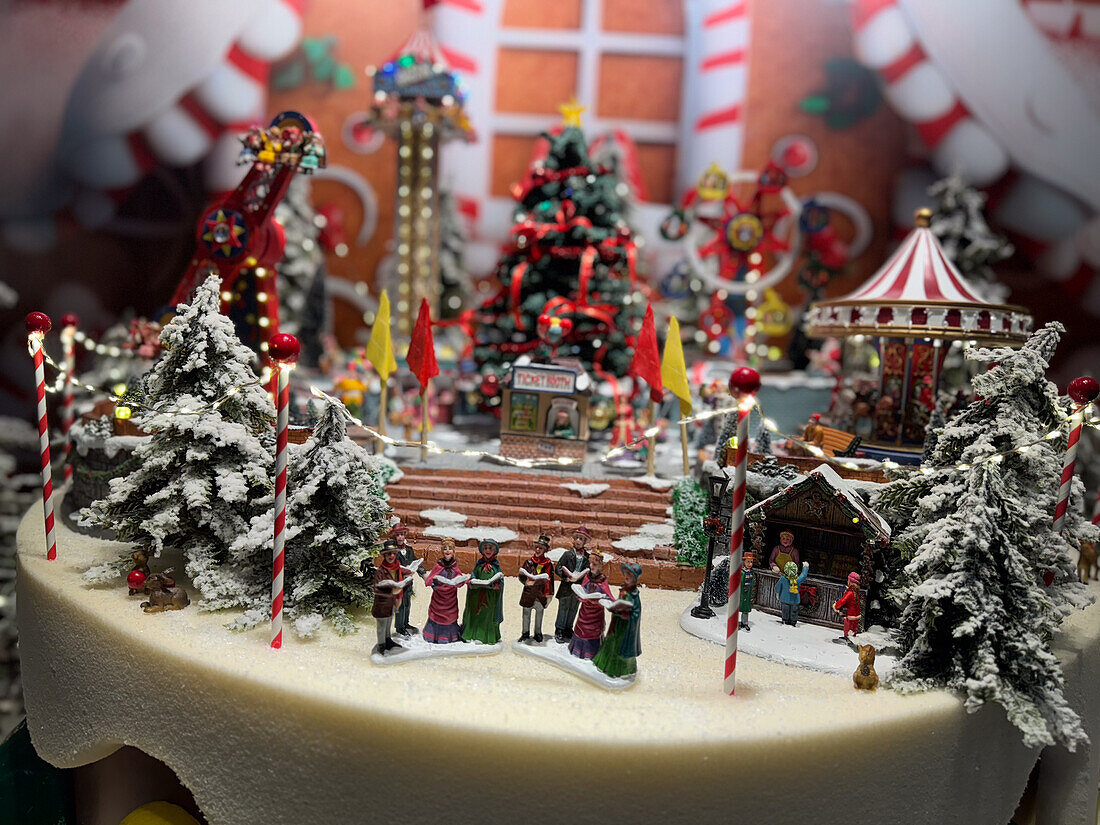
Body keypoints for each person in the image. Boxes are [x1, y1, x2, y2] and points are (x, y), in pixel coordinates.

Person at [592, 562, 643, 679]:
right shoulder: (624, 589)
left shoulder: (634, 595)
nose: (627, 576)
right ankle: (604, 664)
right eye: (626, 573)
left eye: (630, 574)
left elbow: (635, 612)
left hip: (624, 627)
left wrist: (623, 611)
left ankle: (618, 670)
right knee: (610, 642)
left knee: (619, 646)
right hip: (616, 623)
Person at [372, 541, 414, 654]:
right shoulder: (380, 572)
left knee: (389, 623)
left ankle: (388, 640)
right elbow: (377, 588)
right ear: (384, 556)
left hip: (391, 603)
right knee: (382, 626)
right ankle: (381, 645)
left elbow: (405, 574)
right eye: (388, 554)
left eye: (393, 554)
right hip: (381, 605)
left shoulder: (397, 568)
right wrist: (392, 590)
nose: (391, 556)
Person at [568, 552, 613, 660]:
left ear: (601, 566)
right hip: (585, 611)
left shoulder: (602, 580)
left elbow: (608, 597)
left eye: (595, 565)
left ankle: (591, 653)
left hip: (596, 614)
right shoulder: (587, 577)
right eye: (590, 564)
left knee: (593, 631)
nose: (591, 567)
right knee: (581, 628)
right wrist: (581, 596)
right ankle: (578, 651)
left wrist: (599, 600)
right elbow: (582, 590)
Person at [423, 538, 468, 644]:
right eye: (445, 549)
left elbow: (459, 578)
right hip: (439, 597)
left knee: (450, 617)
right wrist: (435, 584)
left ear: (453, 552)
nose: (447, 551)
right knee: (436, 616)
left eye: (450, 549)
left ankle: (449, 636)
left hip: (450, 598)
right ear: (442, 551)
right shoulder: (438, 565)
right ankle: (434, 635)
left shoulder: (455, 566)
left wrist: (460, 582)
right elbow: (431, 578)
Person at [461, 539, 505, 645]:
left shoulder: (496, 566)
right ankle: (471, 633)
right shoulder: (479, 564)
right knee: (476, 614)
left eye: (490, 548)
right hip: (477, 595)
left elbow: (500, 581)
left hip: (490, 597)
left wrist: (494, 585)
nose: (488, 550)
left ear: (495, 550)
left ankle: (484, 636)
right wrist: (472, 582)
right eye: (485, 548)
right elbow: (473, 576)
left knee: (487, 615)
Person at [553, 526, 592, 643]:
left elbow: (588, 571)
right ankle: (559, 629)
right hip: (566, 586)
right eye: (577, 538)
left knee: (573, 608)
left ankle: (568, 629)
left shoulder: (587, 557)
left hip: (578, 588)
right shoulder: (567, 554)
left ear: (585, 542)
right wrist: (566, 577)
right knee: (564, 607)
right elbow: (558, 568)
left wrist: (582, 579)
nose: (579, 541)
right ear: (573, 540)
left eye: (582, 539)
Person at [518, 535, 555, 644]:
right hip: (528, 593)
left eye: (541, 548)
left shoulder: (548, 564)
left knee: (539, 614)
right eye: (537, 547)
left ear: (545, 550)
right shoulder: (528, 562)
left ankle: (538, 633)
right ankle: (525, 633)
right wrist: (525, 581)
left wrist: (549, 594)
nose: (538, 550)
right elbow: (521, 576)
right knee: (526, 614)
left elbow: (550, 580)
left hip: (540, 594)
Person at [391, 523, 426, 636]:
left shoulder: (409, 550)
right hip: (399, 582)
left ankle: (406, 623)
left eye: (402, 534)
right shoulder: (392, 552)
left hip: (409, 581)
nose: (400, 537)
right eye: (398, 535)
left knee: (407, 603)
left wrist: (423, 573)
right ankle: (400, 627)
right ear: (394, 537)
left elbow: (415, 562)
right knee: (400, 605)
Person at [775, 561, 810, 626]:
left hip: (784, 599)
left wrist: (777, 594)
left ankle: (785, 621)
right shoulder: (797, 580)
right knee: (794, 612)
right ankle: (793, 622)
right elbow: (803, 576)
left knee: (785, 611)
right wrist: (805, 567)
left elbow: (778, 587)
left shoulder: (783, 579)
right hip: (795, 600)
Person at [832, 572, 861, 638]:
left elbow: (842, 601)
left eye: (848, 580)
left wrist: (836, 605)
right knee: (853, 628)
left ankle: (848, 639)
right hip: (856, 614)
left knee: (848, 628)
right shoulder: (856, 592)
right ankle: (851, 637)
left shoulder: (850, 593)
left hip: (850, 615)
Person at [738, 551, 756, 632]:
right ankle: (736, 622)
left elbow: (754, 583)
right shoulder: (741, 572)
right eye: (748, 561)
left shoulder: (752, 573)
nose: (750, 564)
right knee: (738, 607)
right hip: (741, 594)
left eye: (751, 562)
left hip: (748, 594)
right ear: (744, 562)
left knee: (746, 609)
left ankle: (744, 622)